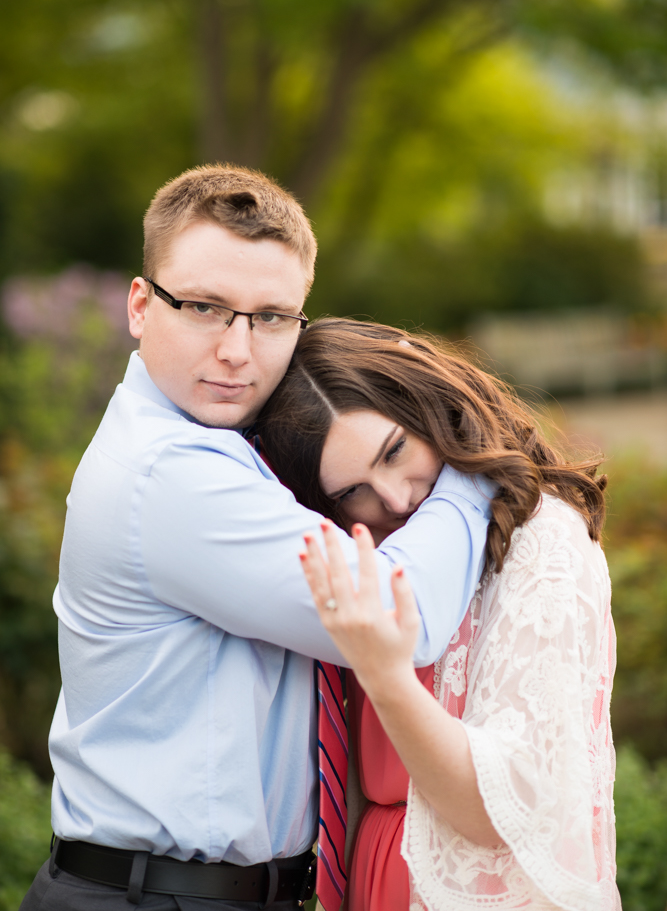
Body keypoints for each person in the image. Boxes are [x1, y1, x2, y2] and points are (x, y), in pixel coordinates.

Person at [20, 165, 495, 911]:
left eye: (270, 316)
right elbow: (401, 619)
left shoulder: (227, 448)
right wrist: (475, 462)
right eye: (206, 308)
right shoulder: (169, 474)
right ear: (141, 307)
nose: (238, 350)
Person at [257, 318, 621, 911]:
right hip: (374, 880)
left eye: (395, 451)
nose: (396, 499)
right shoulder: (372, 559)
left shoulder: (541, 541)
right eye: (352, 491)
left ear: (425, 395)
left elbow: (499, 812)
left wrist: (386, 676)